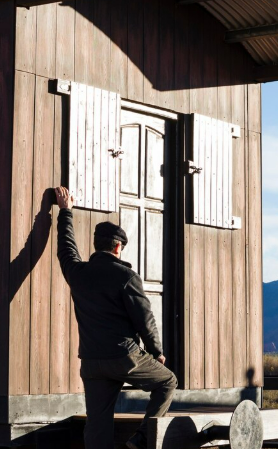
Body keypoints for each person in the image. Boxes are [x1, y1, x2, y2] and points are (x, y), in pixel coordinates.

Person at [54, 186, 177, 449]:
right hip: (124, 357)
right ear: (118, 247)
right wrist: (157, 351)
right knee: (167, 381)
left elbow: (66, 249)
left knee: (97, 424)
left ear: (97, 245)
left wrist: (66, 212)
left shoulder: (78, 273)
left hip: (91, 361)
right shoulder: (126, 277)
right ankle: (142, 439)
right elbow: (145, 319)